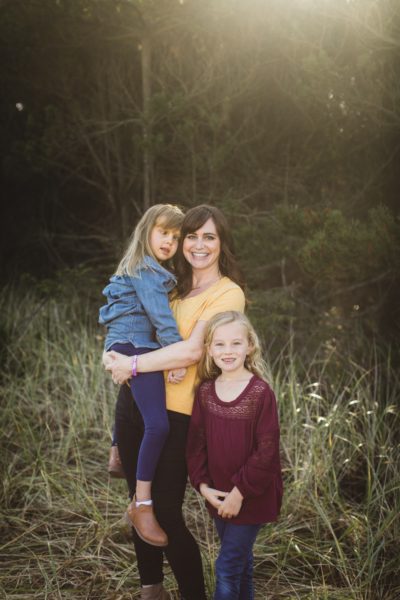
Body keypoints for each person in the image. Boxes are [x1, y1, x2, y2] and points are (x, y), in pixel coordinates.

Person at [104, 205, 245, 600]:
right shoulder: (171, 284)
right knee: (140, 505)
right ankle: (151, 590)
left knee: (165, 512)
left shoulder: (227, 293)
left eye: (209, 237)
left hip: (177, 414)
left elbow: (190, 352)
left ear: (222, 243)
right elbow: (130, 322)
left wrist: (130, 363)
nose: (199, 245)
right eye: (192, 236)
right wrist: (115, 354)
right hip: (134, 402)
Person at [99, 204, 185, 547]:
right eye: (163, 232)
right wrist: (177, 357)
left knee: (132, 404)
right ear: (146, 230)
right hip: (137, 347)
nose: (169, 241)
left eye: (176, 237)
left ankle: (118, 450)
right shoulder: (147, 271)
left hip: (123, 343)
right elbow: (161, 319)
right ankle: (142, 504)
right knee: (158, 425)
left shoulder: (136, 267)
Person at [186, 311, 283, 600]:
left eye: (235, 343)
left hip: (251, 495)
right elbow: (195, 445)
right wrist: (203, 486)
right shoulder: (204, 392)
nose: (228, 351)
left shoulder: (260, 393)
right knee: (242, 566)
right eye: (220, 344)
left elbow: (266, 451)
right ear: (209, 349)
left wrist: (239, 493)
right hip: (217, 494)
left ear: (249, 345)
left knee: (227, 567)